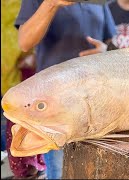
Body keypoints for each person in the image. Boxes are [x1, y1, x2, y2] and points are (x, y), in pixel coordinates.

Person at [15, 0, 117, 178]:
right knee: (61, 170)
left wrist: (106, 49)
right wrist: (51, 4)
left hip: (95, 104)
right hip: (55, 107)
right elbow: (24, 42)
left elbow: (111, 42)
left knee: (100, 169)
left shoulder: (99, 2)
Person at [1, 0, 46, 178]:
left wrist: (35, 55)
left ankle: (29, 171)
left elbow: (37, 30)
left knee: (24, 134)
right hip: (11, 74)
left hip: (22, 76)